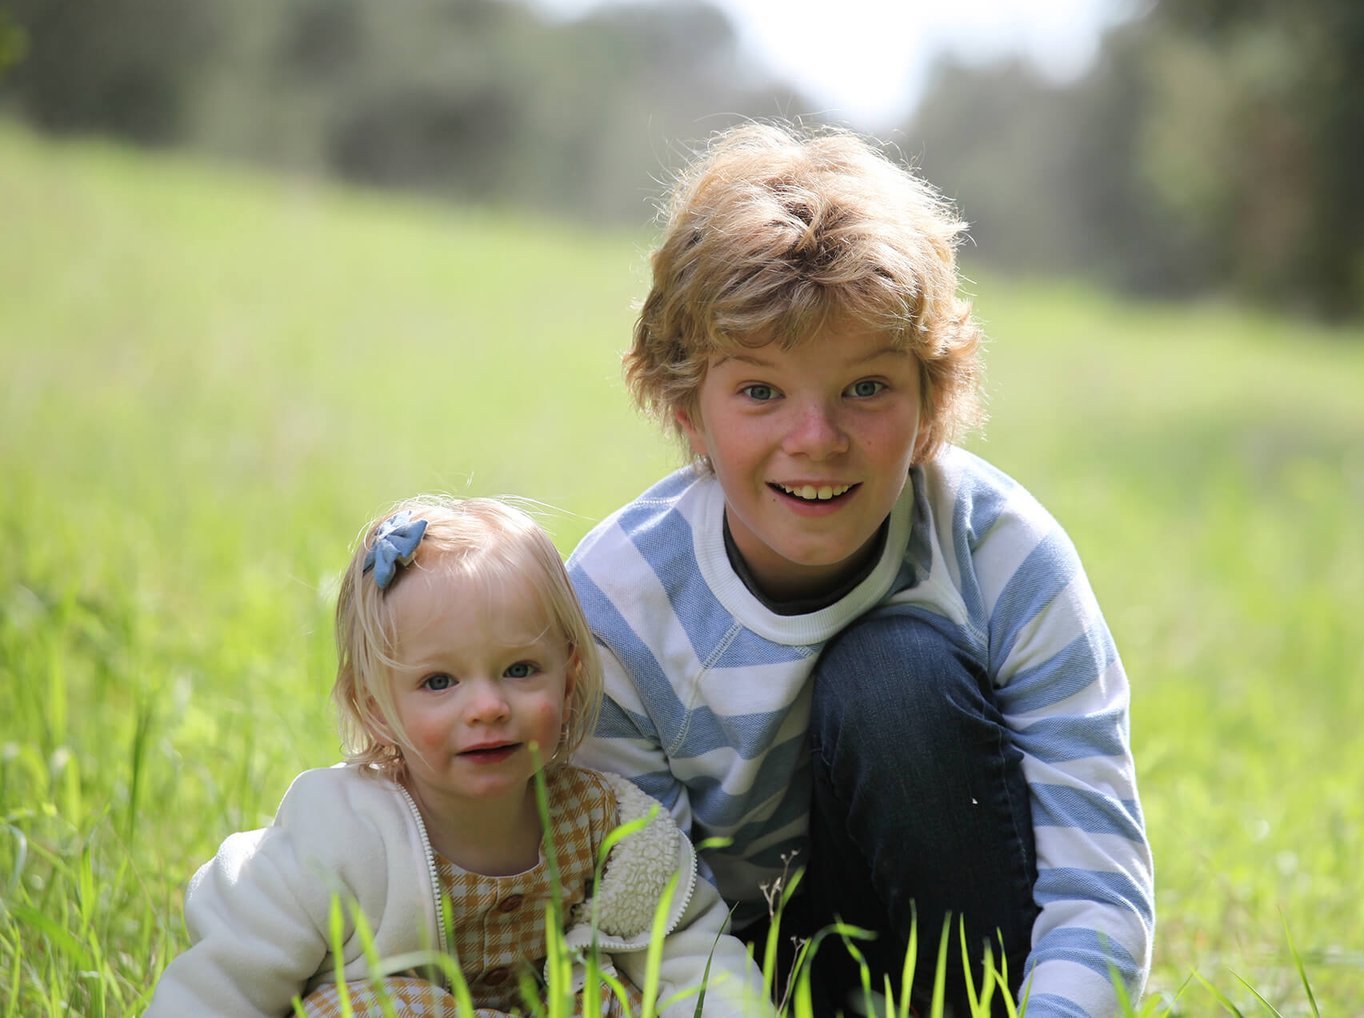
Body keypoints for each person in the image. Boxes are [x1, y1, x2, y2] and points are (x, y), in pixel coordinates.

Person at [566, 122, 1155, 1017]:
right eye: (760, 391)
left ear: (930, 404)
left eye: (866, 388)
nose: (817, 440)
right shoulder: (616, 606)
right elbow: (643, 923)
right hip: (726, 962)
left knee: (894, 678)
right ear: (690, 411)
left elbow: (1094, 878)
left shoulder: (1001, 553)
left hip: (954, 933)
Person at [146, 496, 772, 1017]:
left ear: (570, 677)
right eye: (440, 682)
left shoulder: (605, 822)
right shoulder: (339, 835)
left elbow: (693, 956)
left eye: (520, 670)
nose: (488, 707)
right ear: (373, 705)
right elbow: (223, 983)